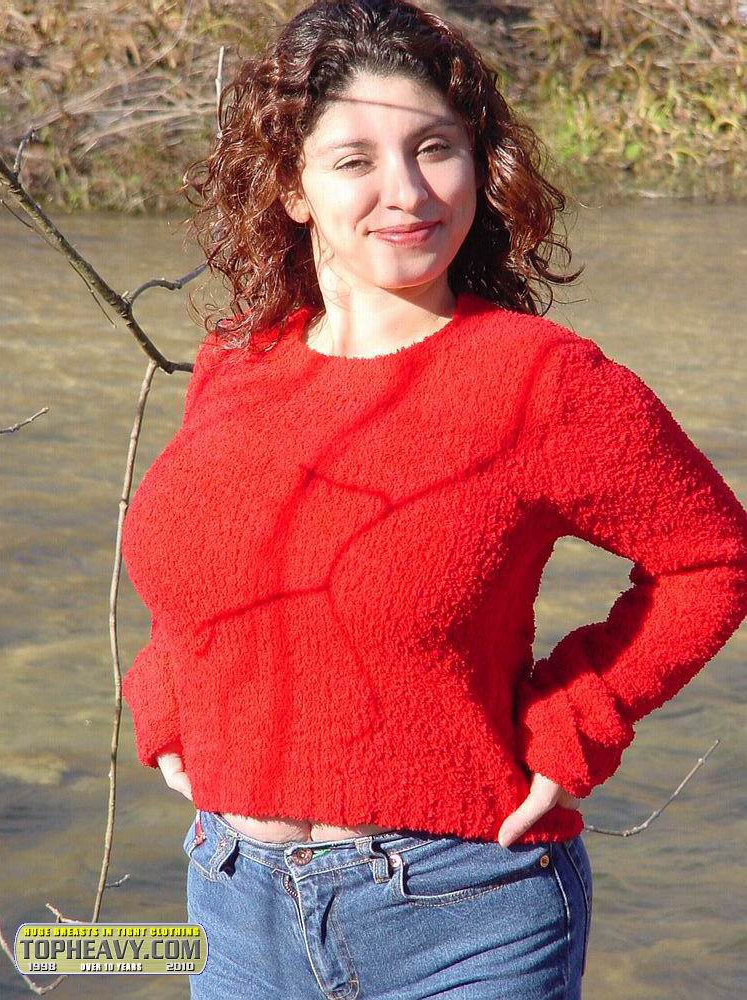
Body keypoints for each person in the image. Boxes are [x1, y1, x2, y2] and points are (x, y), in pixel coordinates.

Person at [120, 2, 747, 998]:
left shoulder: (540, 380)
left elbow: (713, 559)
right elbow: (200, 562)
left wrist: (577, 722)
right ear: (292, 187)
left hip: (465, 909)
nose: (407, 192)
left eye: (435, 149)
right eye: (356, 159)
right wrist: (165, 695)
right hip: (234, 900)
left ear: (478, 165)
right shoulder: (235, 364)